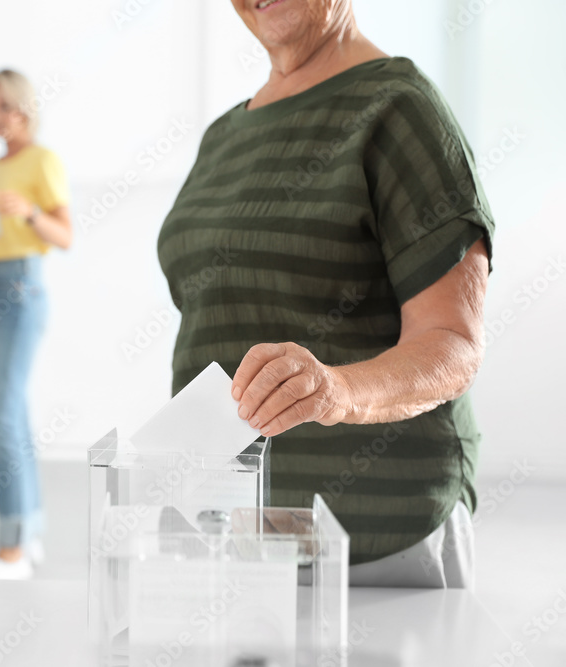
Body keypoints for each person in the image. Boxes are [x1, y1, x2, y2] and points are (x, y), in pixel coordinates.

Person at [157, 0, 494, 589]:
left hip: (378, 541)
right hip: (238, 541)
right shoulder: (222, 136)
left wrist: (337, 391)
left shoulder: (400, 108)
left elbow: (452, 344)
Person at [0, 70, 72, 579]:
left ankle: (12, 549)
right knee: (13, 417)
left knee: (0, 415)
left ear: (23, 107)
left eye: (1, 105)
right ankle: (29, 530)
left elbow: (64, 235)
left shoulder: (42, 160)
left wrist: (27, 213)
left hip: (22, 290)